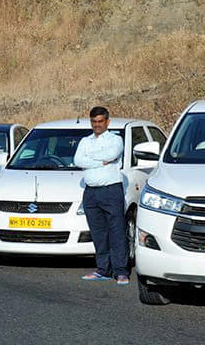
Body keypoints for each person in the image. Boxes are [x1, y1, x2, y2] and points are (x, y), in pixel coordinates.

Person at [73, 106, 128, 284]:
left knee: (117, 231)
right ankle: (103, 269)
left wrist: (90, 159)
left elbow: (112, 155)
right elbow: (77, 160)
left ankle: (121, 271)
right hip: (91, 192)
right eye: (94, 122)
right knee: (98, 233)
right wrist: (101, 161)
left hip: (110, 190)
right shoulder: (85, 141)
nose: (97, 125)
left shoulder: (116, 140)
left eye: (100, 121)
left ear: (107, 122)